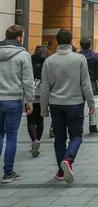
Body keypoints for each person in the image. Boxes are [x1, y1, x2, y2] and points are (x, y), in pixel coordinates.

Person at [41, 29, 95, 184]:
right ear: (71, 42)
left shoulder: (49, 61)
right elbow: (85, 84)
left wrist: (44, 108)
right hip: (75, 103)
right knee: (76, 135)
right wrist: (91, 102)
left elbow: (45, 87)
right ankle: (68, 159)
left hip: (56, 103)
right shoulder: (79, 59)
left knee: (59, 137)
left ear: (57, 42)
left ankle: (60, 171)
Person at [0, 25, 34, 182]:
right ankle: (8, 172)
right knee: (12, 136)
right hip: (13, 99)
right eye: (23, 36)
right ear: (19, 38)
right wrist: (29, 100)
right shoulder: (23, 55)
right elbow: (28, 81)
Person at [79, 38, 98, 134]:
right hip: (92, 83)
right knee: (93, 104)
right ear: (90, 44)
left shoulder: (78, 56)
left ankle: (79, 125)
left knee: (80, 105)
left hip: (80, 83)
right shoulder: (95, 56)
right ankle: (93, 126)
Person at [29, 46, 49, 157]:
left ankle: (34, 140)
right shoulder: (47, 62)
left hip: (31, 94)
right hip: (43, 94)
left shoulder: (30, 61)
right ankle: (38, 141)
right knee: (40, 119)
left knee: (31, 120)